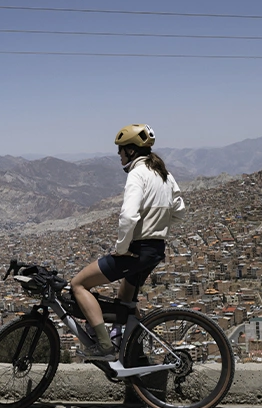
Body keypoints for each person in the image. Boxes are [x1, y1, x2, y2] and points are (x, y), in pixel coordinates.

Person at [70, 123, 187, 360]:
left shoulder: (137, 173)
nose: (119, 155)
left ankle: (104, 345)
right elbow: (179, 210)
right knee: (125, 300)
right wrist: (157, 225)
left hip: (136, 249)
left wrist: (121, 249)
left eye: (121, 150)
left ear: (131, 151)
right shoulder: (164, 173)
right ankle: (132, 351)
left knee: (78, 285)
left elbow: (128, 216)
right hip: (155, 249)